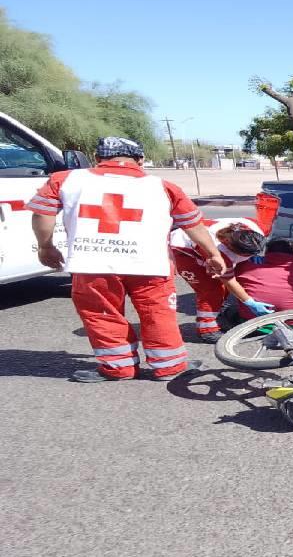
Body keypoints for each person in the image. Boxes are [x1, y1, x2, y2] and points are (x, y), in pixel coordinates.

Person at [28, 136, 224, 382]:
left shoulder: (66, 180)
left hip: (91, 263)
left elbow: (42, 215)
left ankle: (118, 367)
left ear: (98, 158)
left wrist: (46, 247)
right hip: (150, 264)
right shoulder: (163, 186)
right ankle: (170, 366)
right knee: (158, 313)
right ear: (139, 159)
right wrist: (213, 254)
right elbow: (193, 225)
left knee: (102, 314)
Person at [170, 217, 272, 342]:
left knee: (224, 289)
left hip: (203, 241)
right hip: (183, 250)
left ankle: (218, 315)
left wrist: (252, 256)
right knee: (212, 291)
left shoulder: (255, 228)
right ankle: (207, 330)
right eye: (247, 255)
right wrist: (250, 302)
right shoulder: (219, 251)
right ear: (231, 247)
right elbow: (229, 281)